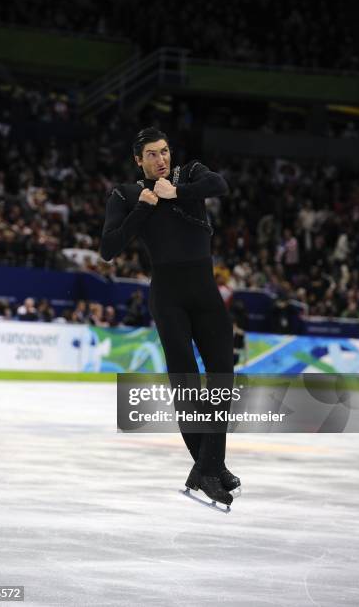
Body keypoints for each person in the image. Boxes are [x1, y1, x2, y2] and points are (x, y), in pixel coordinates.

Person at [100, 127, 240, 506]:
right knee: (187, 384)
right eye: (152, 155)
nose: (161, 160)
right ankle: (209, 468)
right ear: (138, 161)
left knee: (224, 377)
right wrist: (144, 209)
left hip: (205, 293)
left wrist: (177, 193)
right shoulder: (126, 194)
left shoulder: (189, 174)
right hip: (168, 296)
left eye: (164, 152)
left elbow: (220, 185)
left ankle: (209, 465)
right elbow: (108, 249)